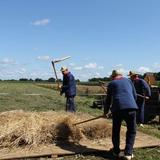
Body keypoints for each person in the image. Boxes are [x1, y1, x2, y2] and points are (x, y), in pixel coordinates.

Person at [103, 70, 138, 160]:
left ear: (113, 76)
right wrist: (131, 104)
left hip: (117, 109)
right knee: (131, 130)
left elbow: (108, 100)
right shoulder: (129, 81)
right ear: (121, 75)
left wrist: (105, 112)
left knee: (116, 130)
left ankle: (116, 151)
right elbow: (134, 95)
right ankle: (128, 153)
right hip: (131, 108)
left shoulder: (111, 83)